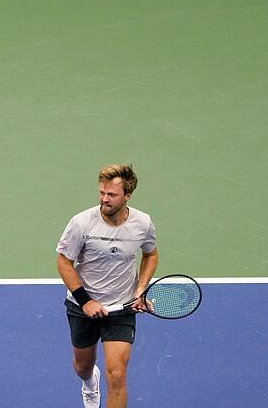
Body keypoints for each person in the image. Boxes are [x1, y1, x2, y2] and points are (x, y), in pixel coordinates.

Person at [56, 164, 158, 408]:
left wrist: (140, 290)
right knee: (83, 367)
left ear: (127, 196)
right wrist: (86, 301)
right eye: (102, 192)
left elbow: (151, 255)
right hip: (83, 306)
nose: (104, 199)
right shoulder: (82, 223)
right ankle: (90, 384)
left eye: (111, 195)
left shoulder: (142, 224)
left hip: (122, 307)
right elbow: (63, 261)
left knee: (118, 373)